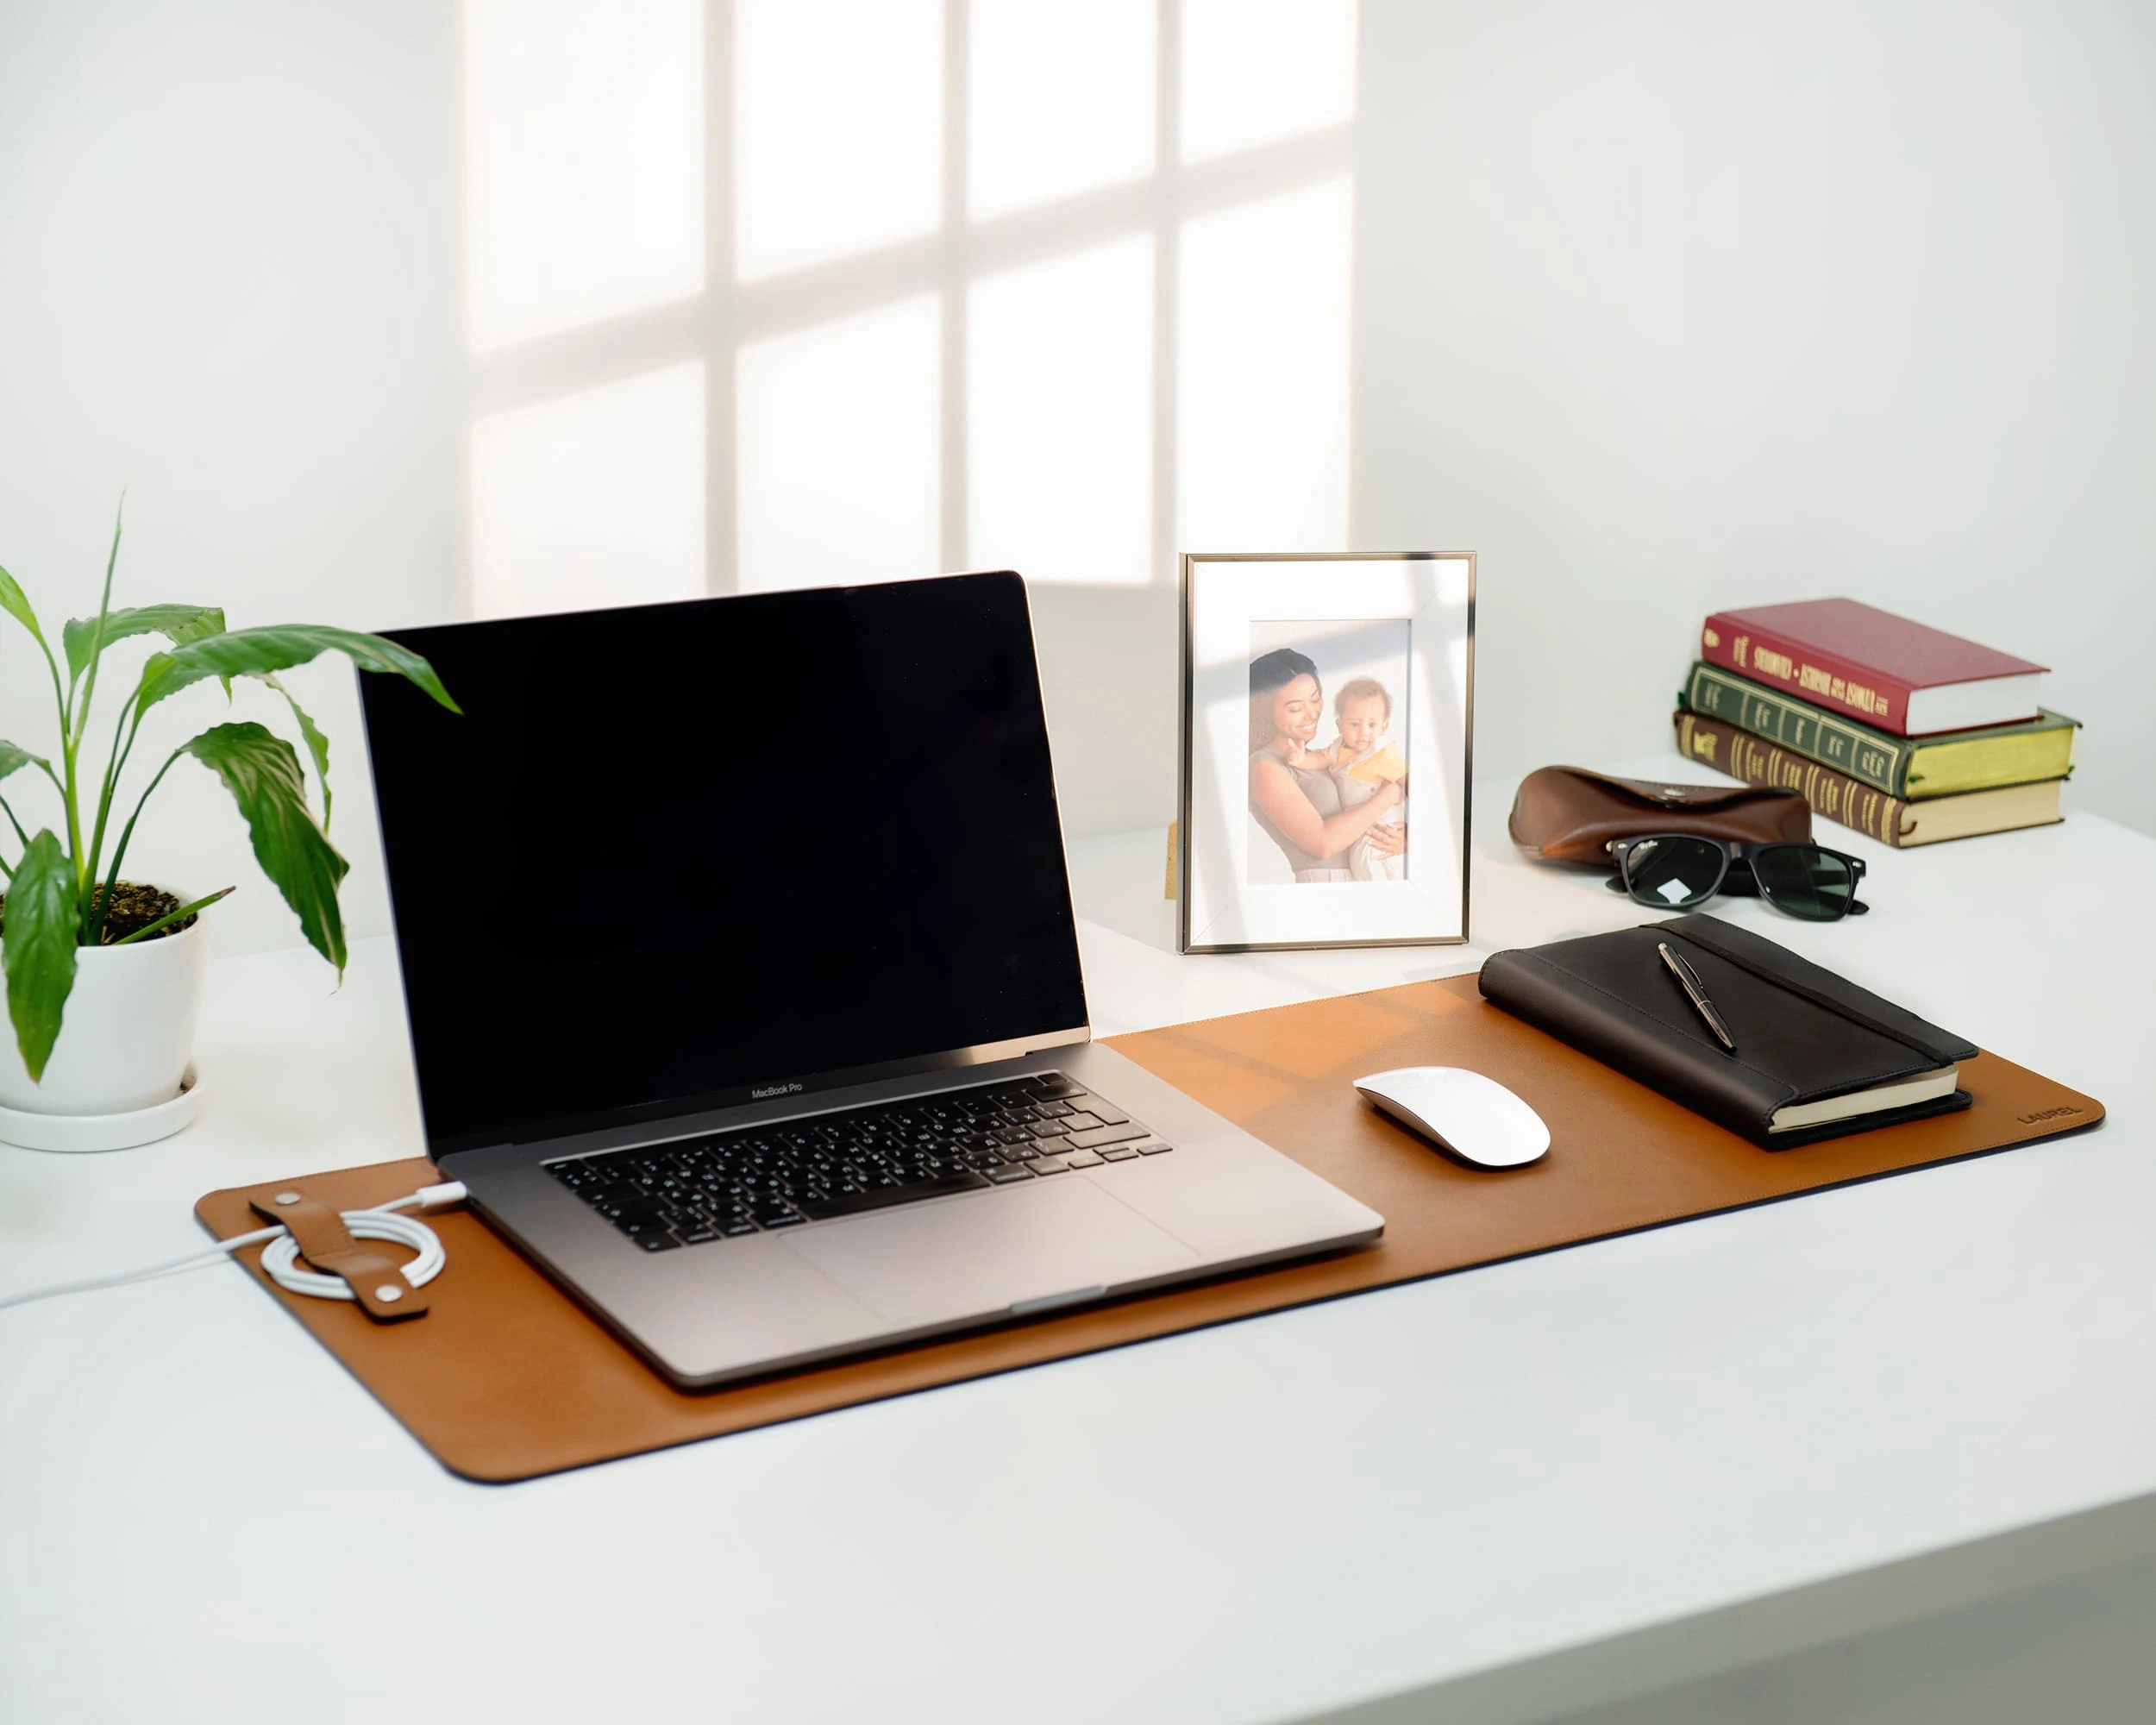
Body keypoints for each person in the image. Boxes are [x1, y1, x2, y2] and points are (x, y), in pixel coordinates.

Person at [1246, 648, 1405, 884]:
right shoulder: (1263, 766)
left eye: (1315, 699)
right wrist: (1391, 793)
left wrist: (1403, 837)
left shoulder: (1319, 757)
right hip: (1326, 884)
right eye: (1296, 708)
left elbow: (1359, 814)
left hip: (1364, 871)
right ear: (1266, 711)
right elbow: (1323, 843)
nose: (1312, 714)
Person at [1320, 677, 1408, 881]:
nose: (1364, 733)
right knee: (1364, 876)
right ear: (1339, 725)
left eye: (1372, 725)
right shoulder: (1337, 749)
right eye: (1354, 724)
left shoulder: (1383, 754)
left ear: (1384, 727)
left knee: (1381, 876)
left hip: (1384, 831)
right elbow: (1318, 759)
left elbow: (1414, 787)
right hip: (1357, 833)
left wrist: (1413, 831)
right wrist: (1300, 758)